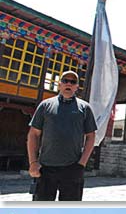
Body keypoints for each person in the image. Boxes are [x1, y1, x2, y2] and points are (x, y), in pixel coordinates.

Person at [27, 70, 97, 201]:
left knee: (69, 211)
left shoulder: (85, 108)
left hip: (72, 168)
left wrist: (82, 164)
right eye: (65, 81)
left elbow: (91, 136)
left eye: (73, 82)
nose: (68, 84)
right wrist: (33, 162)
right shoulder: (45, 106)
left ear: (77, 86)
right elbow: (33, 134)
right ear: (60, 84)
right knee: (41, 211)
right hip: (46, 168)